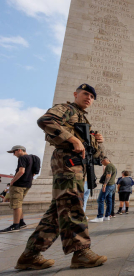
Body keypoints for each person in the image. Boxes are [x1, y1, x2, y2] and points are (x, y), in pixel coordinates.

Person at [15, 84, 107, 270]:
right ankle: (80, 252)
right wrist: (72, 139)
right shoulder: (67, 109)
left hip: (76, 166)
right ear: (76, 94)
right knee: (72, 204)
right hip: (66, 163)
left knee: (57, 213)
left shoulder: (83, 119)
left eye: (91, 96)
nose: (88, 98)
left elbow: (95, 155)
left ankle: (30, 255)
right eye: (85, 94)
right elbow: (45, 120)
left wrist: (98, 143)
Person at [0, 145, 38, 233]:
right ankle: (21, 222)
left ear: (20, 150)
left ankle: (15, 225)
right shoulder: (35, 158)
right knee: (19, 204)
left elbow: (21, 171)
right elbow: (35, 173)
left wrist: (13, 181)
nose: (13, 154)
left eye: (14, 152)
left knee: (16, 205)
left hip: (19, 185)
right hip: (27, 184)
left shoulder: (22, 158)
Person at [90, 157, 117, 222]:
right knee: (109, 201)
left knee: (100, 200)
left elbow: (108, 175)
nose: (101, 163)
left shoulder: (109, 166)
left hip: (108, 185)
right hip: (112, 185)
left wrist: (104, 185)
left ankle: (100, 217)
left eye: (101, 162)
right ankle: (107, 216)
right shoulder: (113, 166)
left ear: (104, 160)